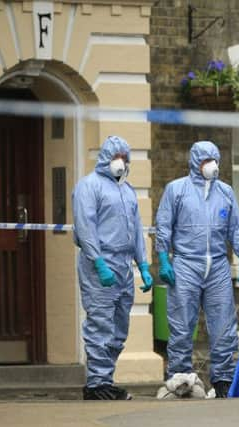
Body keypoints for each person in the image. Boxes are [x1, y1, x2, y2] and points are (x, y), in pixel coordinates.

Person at [155, 140, 239, 399]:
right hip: (185, 262)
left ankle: (222, 380)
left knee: (223, 325)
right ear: (195, 162)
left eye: (215, 159)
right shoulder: (177, 190)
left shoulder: (225, 192)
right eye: (207, 160)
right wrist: (164, 259)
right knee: (182, 322)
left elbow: (236, 227)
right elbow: (164, 226)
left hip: (218, 264)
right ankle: (180, 378)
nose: (213, 165)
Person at [72, 135, 153, 400]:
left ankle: (105, 379)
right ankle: (96, 385)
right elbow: (86, 227)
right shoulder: (89, 186)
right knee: (100, 324)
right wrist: (98, 262)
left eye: (125, 157)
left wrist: (143, 264)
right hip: (100, 266)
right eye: (116, 156)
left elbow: (137, 231)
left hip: (124, 267)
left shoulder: (127, 191)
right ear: (105, 158)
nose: (121, 161)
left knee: (119, 328)